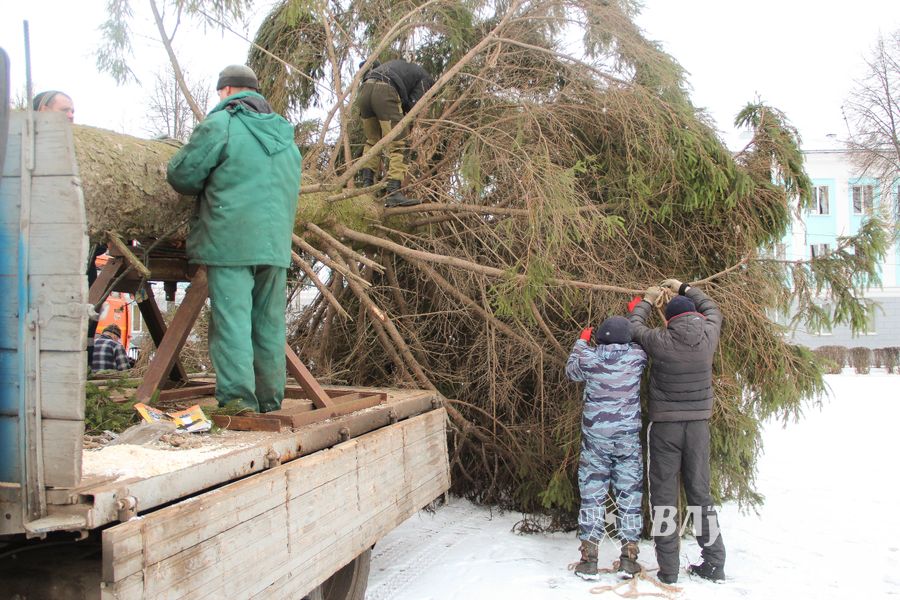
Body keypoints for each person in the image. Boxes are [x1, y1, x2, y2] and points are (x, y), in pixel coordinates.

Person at [167, 64, 301, 413]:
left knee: (232, 323)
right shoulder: (284, 135)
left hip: (230, 243)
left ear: (226, 91)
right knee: (269, 325)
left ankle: (239, 404)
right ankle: (269, 401)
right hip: (274, 245)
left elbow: (182, 175)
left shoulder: (222, 124)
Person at [628, 279, 727, 584]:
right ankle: (715, 563)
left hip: (665, 428)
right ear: (695, 315)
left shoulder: (660, 339)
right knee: (700, 494)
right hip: (698, 427)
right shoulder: (709, 333)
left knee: (664, 498)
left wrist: (646, 300)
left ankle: (669, 570)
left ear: (669, 319)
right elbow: (713, 309)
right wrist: (684, 287)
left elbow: (634, 327)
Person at [565, 316, 648, 580]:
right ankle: (629, 559)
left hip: (596, 442)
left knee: (592, 495)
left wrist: (581, 342)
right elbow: (644, 340)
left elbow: (571, 370)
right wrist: (638, 316)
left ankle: (589, 561)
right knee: (630, 496)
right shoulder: (637, 357)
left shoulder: (589, 358)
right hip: (627, 441)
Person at [354, 58, 434, 207]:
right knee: (400, 143)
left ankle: (366, 186)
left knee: (372, 141)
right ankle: (393, 192)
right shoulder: (427, 80)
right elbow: (412, 105)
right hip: (384, 92)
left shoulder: (402, 68)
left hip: (365, 89)